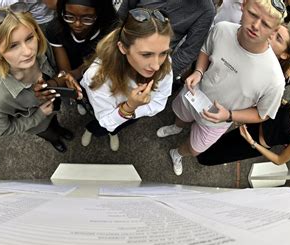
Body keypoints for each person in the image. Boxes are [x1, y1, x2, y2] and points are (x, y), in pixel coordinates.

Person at [157, 0, 287, 176]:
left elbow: (262, 114)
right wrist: (199, 71)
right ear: (243, 6)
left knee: (195, 149)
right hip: (196, 93)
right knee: (180, 115)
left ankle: (177, 153)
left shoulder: (275, 79)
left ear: (274, 31)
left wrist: (230, 116)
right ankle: (176, 127)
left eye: (265, 24)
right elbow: (206, 49)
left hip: (219, 120)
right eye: (253, 14)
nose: (256, 26)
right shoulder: (223, 28)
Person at [0, 4, 82, 153]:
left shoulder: (41, 52)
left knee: (55, 123)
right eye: (13, 46)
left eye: (30, 38)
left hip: (52, 108)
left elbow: (57, 69)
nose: (28, 51)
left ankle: (60, 130)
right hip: (38, 125)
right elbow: (0, 131)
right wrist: (38, 116)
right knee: (48, 132)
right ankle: (54, 139)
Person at [80, 8, 174, 151]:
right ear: (123, 48)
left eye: (163, 53)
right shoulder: (98, 76)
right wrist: (129, 107)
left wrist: (132, 112)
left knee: (119, 126)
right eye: (146, 54)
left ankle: (114, 132)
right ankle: (90, 130)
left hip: (131, 114)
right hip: (102, 111)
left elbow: (160, 101)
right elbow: (105, 120)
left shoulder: (165, 63)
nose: (156, 65)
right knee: (100, 126)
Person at [197, 82, 290, 165]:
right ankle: (194, 149)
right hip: (253, 125)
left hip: (253, 143)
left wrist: (252, 143)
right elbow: (282, 111)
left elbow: (280, 160)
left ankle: (195, 156)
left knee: (210, 157)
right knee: (216, 141)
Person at [46, 0, 119, 115]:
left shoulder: (110, 30)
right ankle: (81, 101)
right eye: (69, 16)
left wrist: (74, 74)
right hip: (73, 64)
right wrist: (49, 85)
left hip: (98, 66)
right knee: (76, 87)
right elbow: (65, 71)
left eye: (87, 18)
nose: (77, 24)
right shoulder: (55, 29)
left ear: (99, 14)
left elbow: (100, 60)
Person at [117, 0, 215, 85]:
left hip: (151, 70)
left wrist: (158, 78)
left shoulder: (206, 10)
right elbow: (121, 17)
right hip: (120, 51)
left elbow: (188, 52)